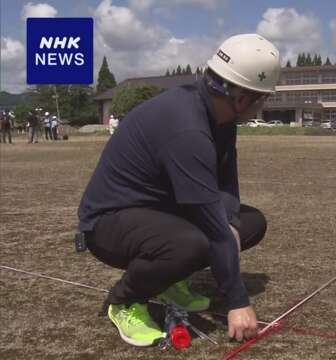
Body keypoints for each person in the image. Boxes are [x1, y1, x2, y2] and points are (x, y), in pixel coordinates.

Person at [77, 34, 280, 347]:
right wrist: (238, 301)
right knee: (194, 243)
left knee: (250, 223)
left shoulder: (220, 118)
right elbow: (210, 224)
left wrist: (230, 226)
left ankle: (170, 279)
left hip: (160, 211)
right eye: (263, 98)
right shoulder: (188, 128)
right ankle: (125, 301)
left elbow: (225, 187)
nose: (263, 104)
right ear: (243, 98)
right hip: (110, 221)